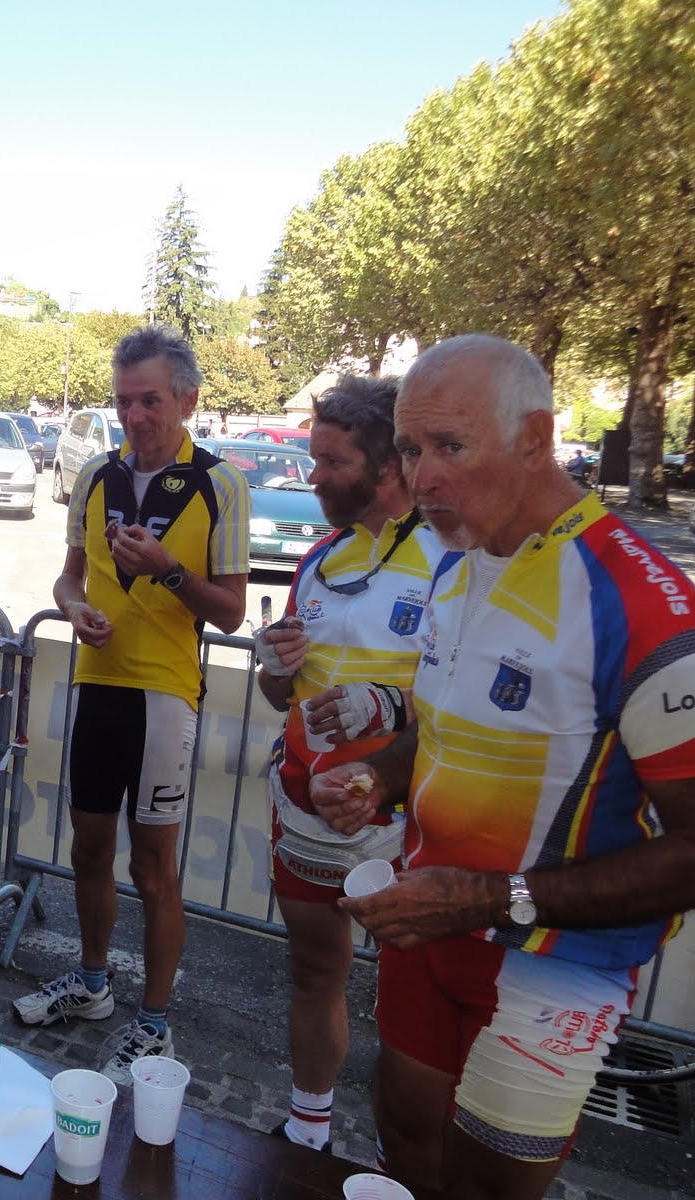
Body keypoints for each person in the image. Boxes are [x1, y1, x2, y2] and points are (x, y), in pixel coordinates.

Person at [311, 334, 695, 1199]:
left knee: (485, 1187)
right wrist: (380, 777)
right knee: (403, 1136)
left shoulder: (640, 600)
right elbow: (443, 730)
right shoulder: (455, 563)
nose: (423, 477)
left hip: (555, 957)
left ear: (536, 439)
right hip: (430, 921)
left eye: (450, 445)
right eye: (410, 448)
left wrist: (488, 898)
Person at [13, 325, 251, 1082]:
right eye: (123, 401)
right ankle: (91, 986)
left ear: (187, 401)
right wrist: (74, 607)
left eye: (150, 400)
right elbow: (68, 577)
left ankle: (153, 1023)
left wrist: (169, 570)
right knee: (87, 849)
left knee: (153, 868)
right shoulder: (96, 474)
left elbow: (232, 613)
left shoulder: (220, 483)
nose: (135, 416)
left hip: (164, 696)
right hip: (98, 683)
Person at [253, 375, 451, 1153]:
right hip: (306, 807)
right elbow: (279, 693)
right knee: (313, 971)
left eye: (333, 462)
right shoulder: (321, 556)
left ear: (389, 468)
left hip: (404, 820)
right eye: (315, 458)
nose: (315, 476)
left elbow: (476, 706)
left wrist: (390, 707)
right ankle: (308, 1128)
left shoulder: (448, 560)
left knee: (415, 1000)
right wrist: (274, 664)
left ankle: (413, 1163)